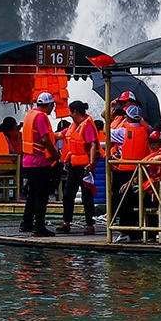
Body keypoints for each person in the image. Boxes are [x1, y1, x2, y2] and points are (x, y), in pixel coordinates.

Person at [18, 92, 59, 237]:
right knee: (42, 194)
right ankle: (39, 226)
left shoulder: (30, 114)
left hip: (28, 161)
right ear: (49, 105)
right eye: (52, 105)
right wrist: (55, 155)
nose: (53, 109)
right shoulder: (41, 117)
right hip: (39, 161)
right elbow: (45, 139)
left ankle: (26, 223)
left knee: (32, 193)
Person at [58, 99, 99, 234]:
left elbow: (93, 144)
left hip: (85, 166)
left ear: (75, 112)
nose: (69, 115)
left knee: (87, 196)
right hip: (73, 165)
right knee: (68, 194)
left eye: (70, 112)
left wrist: (91, 162)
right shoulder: (72, 126)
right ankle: (66, 222)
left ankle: (90, 224)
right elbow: (60, 135)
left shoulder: (87, 125)